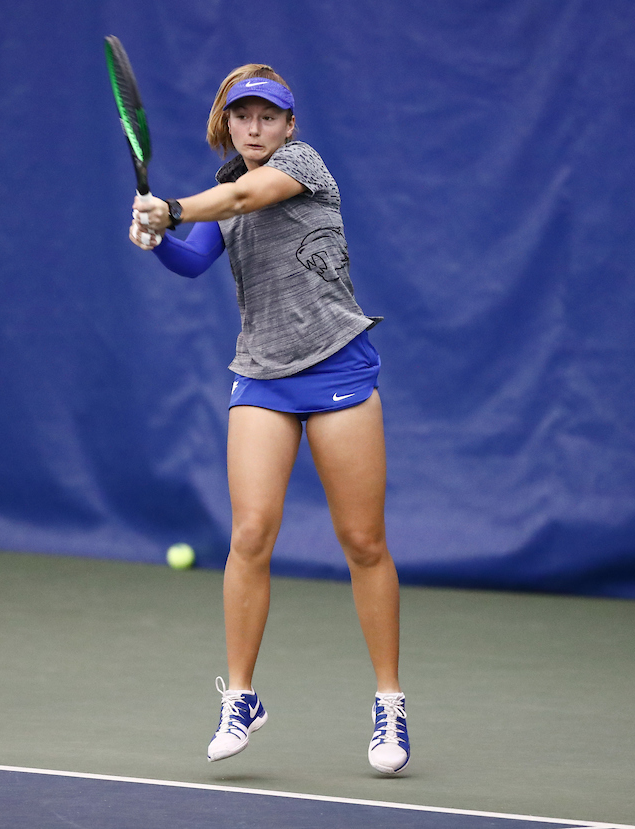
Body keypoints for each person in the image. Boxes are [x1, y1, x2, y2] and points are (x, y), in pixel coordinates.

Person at [127, 64, 409, 775]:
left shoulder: (300, 166)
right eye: (243, 116)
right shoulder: (225, 186)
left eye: (268, 116)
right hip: (261, 374)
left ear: (290, 127)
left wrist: (175, 206)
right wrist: (159, 234)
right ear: (228, 124)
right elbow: (194, 262)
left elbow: (248, 195)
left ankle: (389, 700)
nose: (255, 128)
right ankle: (243, 695)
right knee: (250, 533)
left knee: (363, 540)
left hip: (338, 365)